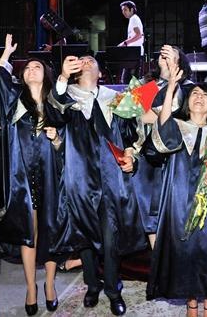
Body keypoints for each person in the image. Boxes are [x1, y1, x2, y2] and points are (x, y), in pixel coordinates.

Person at [46, 55, 146, 316]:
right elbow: (53, 115)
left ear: (101, 73)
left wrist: (131, 157)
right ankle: (92, 284)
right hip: (79, 177)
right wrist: (63, 77)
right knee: (85, 235)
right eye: (82, 60)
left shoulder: (116, 99)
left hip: (110, 177)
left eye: (92, 60)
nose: (87, 61)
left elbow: (130, 136)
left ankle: (113, 289)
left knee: (110, 235)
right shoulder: (65, 97)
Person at [146, 70, 207, 317]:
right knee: (184, 252)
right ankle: (191, 306)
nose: (199, 97)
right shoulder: (177, 128)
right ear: (186, 103)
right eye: (194, 93)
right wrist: (171, 88)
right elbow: (162, 133)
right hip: (179, 202)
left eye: (205, 95)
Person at [0, 34, 62, 315]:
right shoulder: (14, 103)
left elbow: (69, 144)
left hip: (51, 175)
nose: (32, 70)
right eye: (28, 68)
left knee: (51, 229)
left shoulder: (57, 103)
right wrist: (6, 54)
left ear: (46, 74)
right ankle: (31, 287)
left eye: (37, 67)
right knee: (28, 232)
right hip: (22, 177)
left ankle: (50, 285)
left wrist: (56, 139)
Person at [131, 44, 194, 248]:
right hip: (147, 153)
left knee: (175, 206)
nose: (164, 56)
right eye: (162, 54)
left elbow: (176, 113)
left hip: (175, 153)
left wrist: (152, 114)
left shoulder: (188, 87)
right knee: (148, 204)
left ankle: (175, 253)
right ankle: (156, 253)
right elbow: (137, 116)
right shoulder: (146, 85)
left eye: (171, 54)